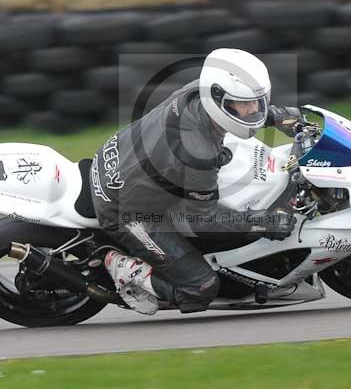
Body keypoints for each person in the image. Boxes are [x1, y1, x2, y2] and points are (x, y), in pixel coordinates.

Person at [90, 48, 303, 315]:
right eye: (245, 104)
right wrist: (265, 221)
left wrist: (279, 115)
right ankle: (123, 267)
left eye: (258, 102)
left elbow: (239, 113)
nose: (253, 110)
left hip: (116, 155)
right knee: (201, 286)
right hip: (125, 210)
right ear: (217, 98)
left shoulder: (196, 91)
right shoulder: (198, 151)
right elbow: (203, 219)